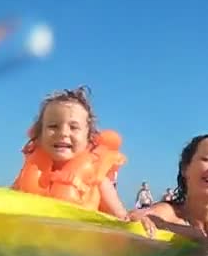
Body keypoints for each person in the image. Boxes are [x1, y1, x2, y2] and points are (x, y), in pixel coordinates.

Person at [11, 86, 129, 219]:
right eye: (53, 126)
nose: (63, 133)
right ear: (40, 135)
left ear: (88, 138)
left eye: (73, 127)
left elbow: (123, 218)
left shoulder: (98, 180)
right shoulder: (28, 172)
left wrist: (136, 218)